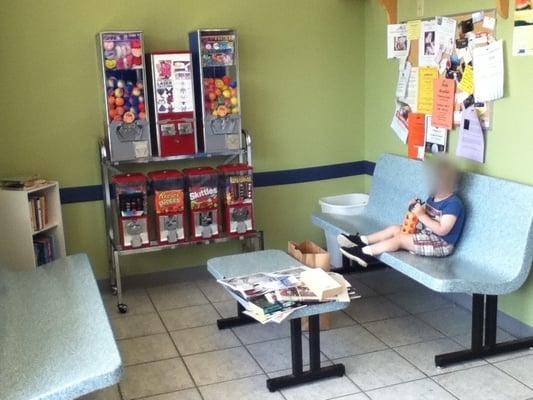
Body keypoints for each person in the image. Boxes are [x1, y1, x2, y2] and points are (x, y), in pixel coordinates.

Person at [338, 157, 465, 267]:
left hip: (441, 244)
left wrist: (421, 215)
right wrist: (415, 209)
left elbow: (442, 230)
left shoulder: (453, 204)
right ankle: (363, 240)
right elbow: (425, 218)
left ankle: (365, 253)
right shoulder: (433, 198)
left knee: (400, 239)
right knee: (394, 229)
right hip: (427, 236)